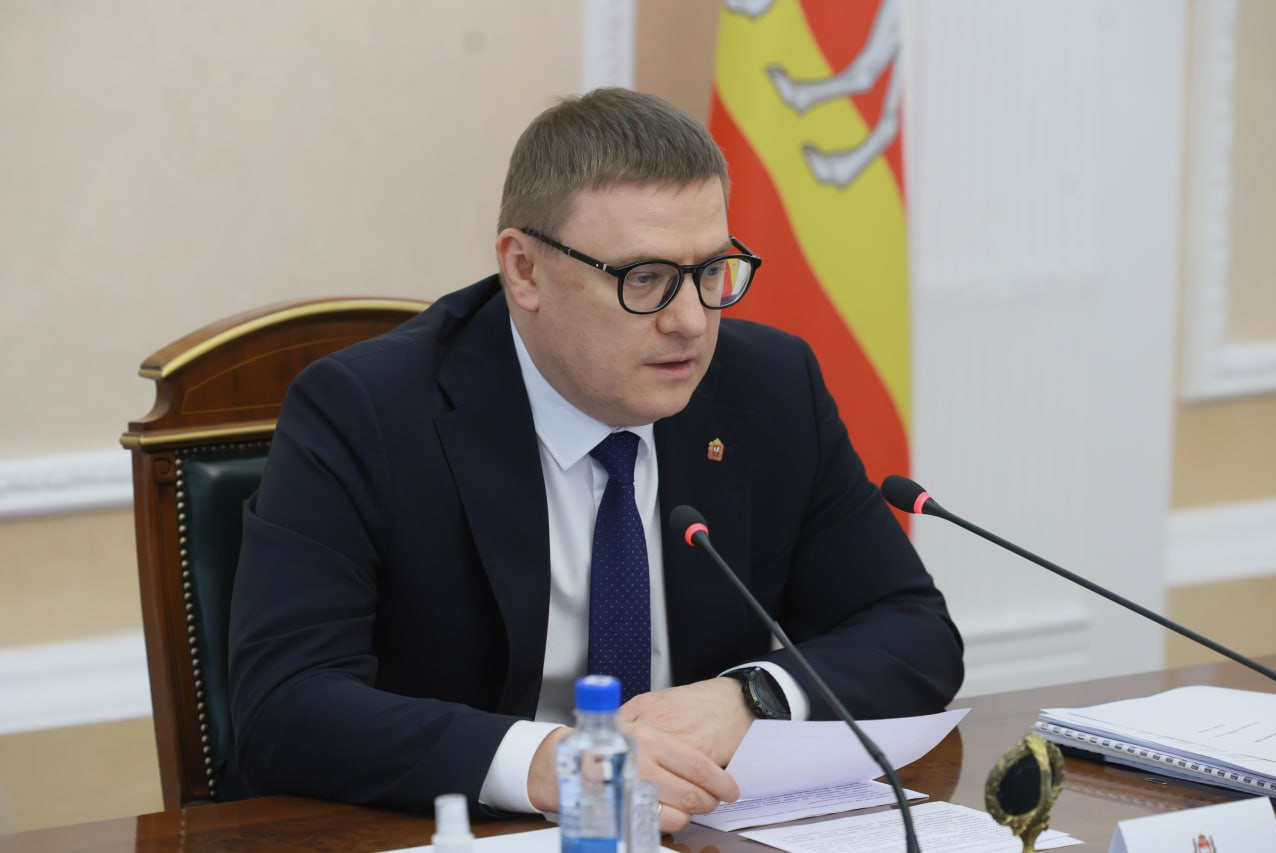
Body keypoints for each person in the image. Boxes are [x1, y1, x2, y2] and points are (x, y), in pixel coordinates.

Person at [225, 88, 963, 832]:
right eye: (644, 278)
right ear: (525, 270)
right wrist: (556, 762)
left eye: (712, 270)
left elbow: (911, 630)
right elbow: (285, 704)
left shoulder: (767, 386)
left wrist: (750, 697)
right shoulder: (367, 411)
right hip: (467, 830)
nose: (690, 320)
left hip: (689, 826)